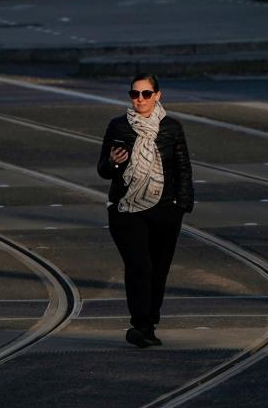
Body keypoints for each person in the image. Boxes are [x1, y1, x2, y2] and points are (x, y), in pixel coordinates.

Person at [97, 73, 194, 348]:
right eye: (135, 94)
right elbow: (103, 170)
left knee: (159, 269)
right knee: (139, 266)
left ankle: (149, 322)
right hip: (127, 209)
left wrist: (182, 206)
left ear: (157, 96)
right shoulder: (118, 126)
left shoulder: (172, 128)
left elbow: (183, 168)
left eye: (146, 94)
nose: (140, 99)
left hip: (165, 210)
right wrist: (114, 163)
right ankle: (140, 323)